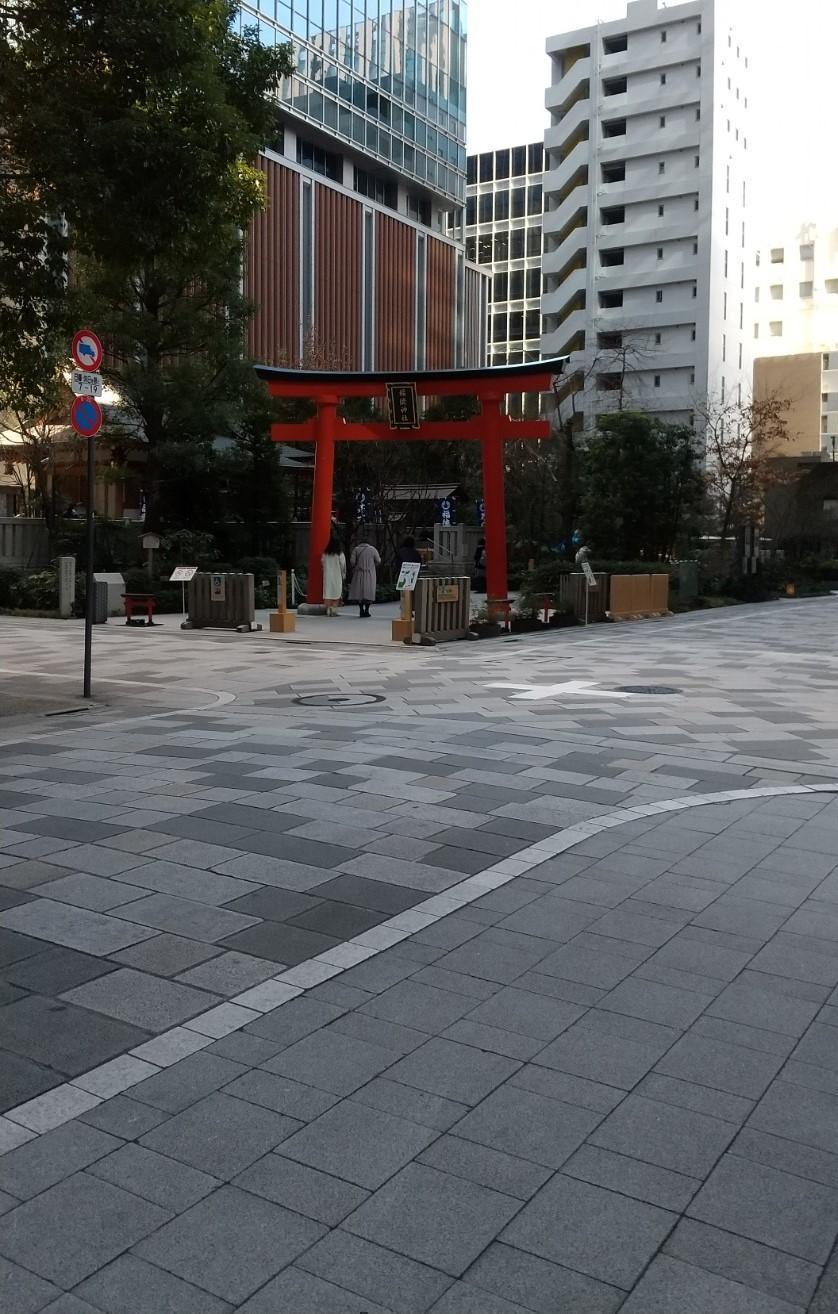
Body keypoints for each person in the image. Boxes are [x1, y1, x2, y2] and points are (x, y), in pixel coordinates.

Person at [349, 538, 381, 618]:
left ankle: (361, 609)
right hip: (370, 573)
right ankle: (367, 610)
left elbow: (352, 562)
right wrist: (372, 565)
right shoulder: (373, 549)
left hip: (358, 573)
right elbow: (378, 560)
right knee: (369, 591)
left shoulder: (356, 549)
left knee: (359, 592)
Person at [321, 534, 346, 617]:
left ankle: (328, 609)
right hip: (337, 575)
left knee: (328, 592)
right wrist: (343, 574)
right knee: (336, 592)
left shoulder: (325, 554)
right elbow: (343, 565)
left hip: (327, 576)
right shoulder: (340, 554)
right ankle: (334, 609)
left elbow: (322, 563)